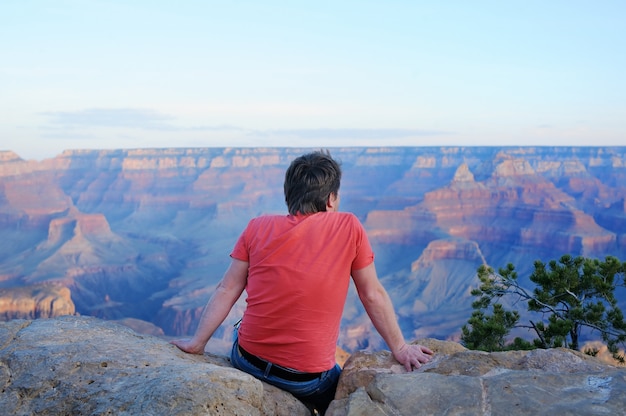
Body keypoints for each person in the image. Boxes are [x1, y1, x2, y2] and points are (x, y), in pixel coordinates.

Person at [171, 150, 433, 414]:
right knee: (343, 393)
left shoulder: (256, 227)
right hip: (308, 380)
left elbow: (227, 289)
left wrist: (197, 343)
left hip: (247, 361)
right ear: (330, 199)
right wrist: (399, 348)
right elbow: (372, 294)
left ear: (289, 195)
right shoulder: (349, 227)